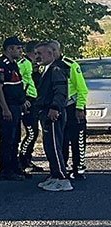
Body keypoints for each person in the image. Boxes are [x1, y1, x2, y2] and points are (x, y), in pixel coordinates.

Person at [32, 41, 72, 192]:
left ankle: (62, 178)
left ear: (51, 53)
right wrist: (36, 73)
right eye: (36, 54)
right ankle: (54, 175)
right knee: (49, 145)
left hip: (53, 112)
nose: (37, 57)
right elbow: (43, 88)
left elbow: (60, 90)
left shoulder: (56, 69)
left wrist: (55, 107)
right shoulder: (46, 69)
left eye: (40, 54)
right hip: (45, 111)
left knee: (55, 145)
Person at [0, 36, 30, 180]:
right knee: (7, 138)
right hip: (7, 106)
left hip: (16, 105)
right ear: (10, 49)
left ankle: (15, 167)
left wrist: (22, 101)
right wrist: (5, 109)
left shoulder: (14, 64)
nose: (21, 51)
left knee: (15, 138)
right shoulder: (1, 65)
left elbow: (17, 86)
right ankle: (6, 169)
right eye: (18, 48)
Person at [58, 44, 89, 180]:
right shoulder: (47, 67)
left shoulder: (70, 65)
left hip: (73, 106)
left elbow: (82, 89)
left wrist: (80, 107)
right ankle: (62, 167)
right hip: (59, 107)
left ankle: (79, 169)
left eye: (54, 50)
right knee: (62, 139)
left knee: (78, 139)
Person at [18, 41, 44, 172]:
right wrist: (23, 99)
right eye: (37, 53)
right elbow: (17, 82)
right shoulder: (23, 64)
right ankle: (22, 159)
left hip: (35, 101)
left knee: (34, 132)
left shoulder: (34, 66)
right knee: (31, 132)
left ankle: (27, 159)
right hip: (27, 101)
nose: (39, 56)